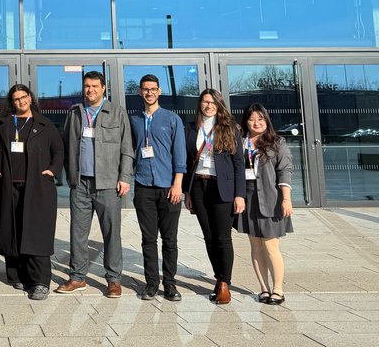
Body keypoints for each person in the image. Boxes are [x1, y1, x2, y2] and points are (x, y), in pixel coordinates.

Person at [56, 71, 134, 298]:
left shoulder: (117, 113)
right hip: (80, 183)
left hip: (108, 184)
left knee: (111, 234)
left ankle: (113, 279)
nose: (90, 90)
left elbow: (127, 149)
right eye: (87, 86)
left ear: (104, 88)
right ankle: (78, 277)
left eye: (94, 86)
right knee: (78, 233)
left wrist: (124, 178)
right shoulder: (75, 113)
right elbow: (66, 143)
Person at [0, 84, 64, 301]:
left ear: (31, 98)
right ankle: (16, 274)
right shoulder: (2, 125)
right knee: (11, 229)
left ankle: (40, 281)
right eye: (16, 99)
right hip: (8, 186)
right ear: (11, 102)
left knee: (36, 232)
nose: (21, 102)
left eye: (24, 97)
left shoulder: (44, 124)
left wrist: (52, 170)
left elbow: (59, 150)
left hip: (37, 185)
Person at [183, 89, 245, 304]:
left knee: (223, 237)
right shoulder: (191, 129)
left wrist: (239, 195)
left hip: (223, 188)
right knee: (209, 237)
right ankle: (218, 278)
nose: (208, 106)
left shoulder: (230, 128)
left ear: (219, 105)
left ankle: (224, 283)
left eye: (212, 102)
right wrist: (187, 191)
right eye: (204, 102)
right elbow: (187, 162)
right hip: (199, 186)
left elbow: (239, 164)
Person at [129, 74, 187, 301]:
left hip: (169, 187)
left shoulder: (172, 120)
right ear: (140, 92)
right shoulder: (133, 120)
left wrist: (177, 184)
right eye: (145, 89)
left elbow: (180, 154)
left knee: (170, 239)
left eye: (153, 89)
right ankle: (152, 283)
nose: (149, 93)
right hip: (143, 185)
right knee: (148, 239)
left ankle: (170, 284)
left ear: (159, 91)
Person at [235, 103, 294, 305]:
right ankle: (263, 289)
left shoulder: (277, 142)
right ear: (246, 121)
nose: (256, 123)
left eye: (260, 119)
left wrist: (286, 199)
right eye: (252, 119)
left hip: (271, 198)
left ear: (266, 120)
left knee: (270, 245)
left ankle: (278, 289)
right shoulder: (240, 142)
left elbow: (284, 170)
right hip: (248, 198)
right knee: (255, 245)